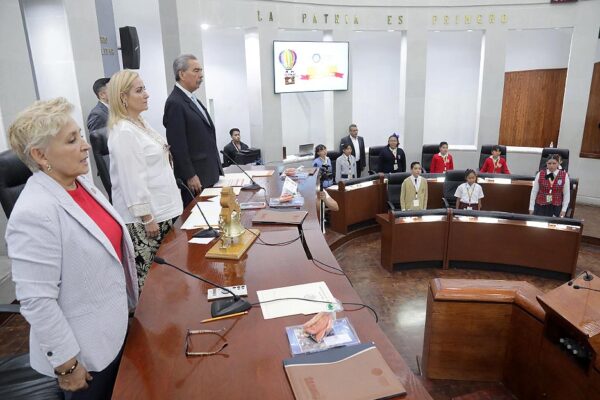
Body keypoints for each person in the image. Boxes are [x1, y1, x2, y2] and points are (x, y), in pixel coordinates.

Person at [6, 97, 138, 399]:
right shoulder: (34, 212)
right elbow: (37, 301)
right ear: (40, 155)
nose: (86, 145)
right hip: (86, 356)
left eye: (80, 135)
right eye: (72, 140)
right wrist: (67, 365)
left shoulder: (81, 185)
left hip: (116, 330)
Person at [107, 70, 182, 288]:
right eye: (139, 90)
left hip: (163, 210)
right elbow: (132, 180)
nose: (147, 94)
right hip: (147, 220)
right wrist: (147, 218)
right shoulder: (123, 132)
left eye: (144, 89)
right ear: (123, 97)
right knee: (153, 284)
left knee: (170, 280)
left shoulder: (139, 122)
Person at [164, 54, 223, 205]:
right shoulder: (175, 103)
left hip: (208, 173)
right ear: (182, 74)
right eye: (196, 71)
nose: (201, 75)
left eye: (201, 70)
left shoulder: (192, 99)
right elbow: (177, 144)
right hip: (196, 178)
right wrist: (189, 175)